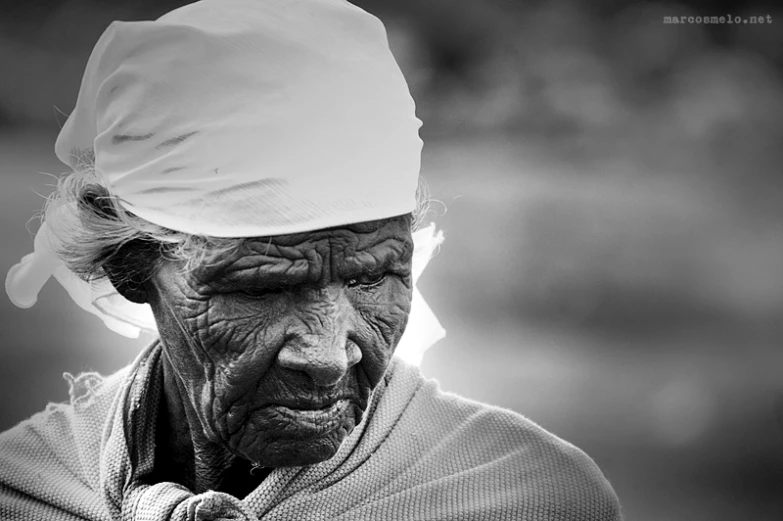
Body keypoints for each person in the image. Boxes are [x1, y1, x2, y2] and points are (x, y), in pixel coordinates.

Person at [1, 0, 622, 519]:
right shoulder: (25, 491)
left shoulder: (522, 498)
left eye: (372, 276)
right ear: (131, 268)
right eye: (263, 288)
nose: (328, 356)